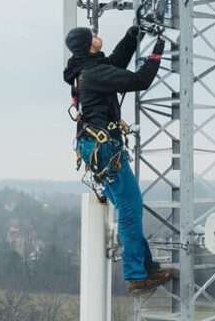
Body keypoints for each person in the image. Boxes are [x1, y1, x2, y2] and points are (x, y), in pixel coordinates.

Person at [63, 25, 178, 295]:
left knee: (128, 207)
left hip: (96, 146)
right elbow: (140, 81)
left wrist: (132, 36)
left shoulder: (87, 69)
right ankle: (137, 274)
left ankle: (146, 267)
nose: (96, 35)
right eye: (91, 34)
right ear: (87, 44)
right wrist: (157, 53)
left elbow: (116, 62)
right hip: (104, 148)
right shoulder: (94, 72)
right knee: (130, 208)